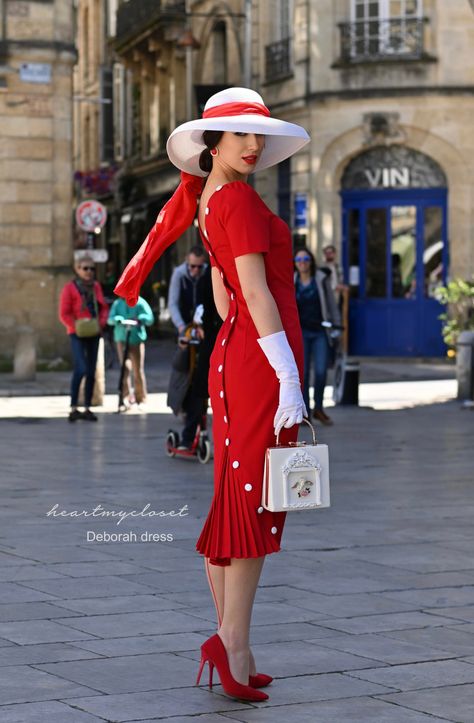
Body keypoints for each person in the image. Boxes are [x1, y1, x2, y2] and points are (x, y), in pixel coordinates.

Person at [113, 87, 310, 702]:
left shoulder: (211, 201)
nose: (253, 144)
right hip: (258, 361)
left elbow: (226, 297)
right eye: (238, 134)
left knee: (240, 495)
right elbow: (252, 296)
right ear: (212, 143)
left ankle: (233, 644)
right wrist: (289, 378)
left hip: (237, 356)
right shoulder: (241, 204)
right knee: (253, 502)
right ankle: (232, 644)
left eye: (259, 134)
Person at [59, 256, 109, 422]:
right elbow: (64, 313)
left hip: (94, 331)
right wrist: (76, 326)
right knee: (80, 368)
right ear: (77, 269)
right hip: (77, 332)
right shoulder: (70, 288)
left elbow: (103, 307)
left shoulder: (96, 287)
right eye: (85, 268)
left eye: (91, 269)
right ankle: (74, 406)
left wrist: (100, 323)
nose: (89, 272)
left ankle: (87, 407)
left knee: (91, 370)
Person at [294, 247, 341, 426]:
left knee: (321, 371)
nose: (303, 262)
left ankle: (319, 408)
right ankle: (305, 412)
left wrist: (336, 326)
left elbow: (331, 303)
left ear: (311, 261)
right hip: (301, 332)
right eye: (299, 260)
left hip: (320, 331)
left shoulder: (320, 280)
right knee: (303, 374)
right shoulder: (293, 281)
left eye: (306, 259)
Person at [107, 295, 155, 409]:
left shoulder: (140, 302)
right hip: (122, 339)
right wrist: (118, 319)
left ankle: (140, 398)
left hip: (136, 339)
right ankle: (125, 397)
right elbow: (110, 319)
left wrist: (140, 319)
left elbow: (150, 318)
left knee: (138, 369)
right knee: (125, 368)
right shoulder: (117, 304)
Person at [168, 246, 207, 336]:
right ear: (187, 261)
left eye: (199, 267)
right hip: (183, 321)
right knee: (183, 348)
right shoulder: (178, 274)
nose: (196, 270)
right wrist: (180, 325)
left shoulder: (207, 272)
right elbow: (173, 303)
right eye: (193, 266)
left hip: (203, 324)